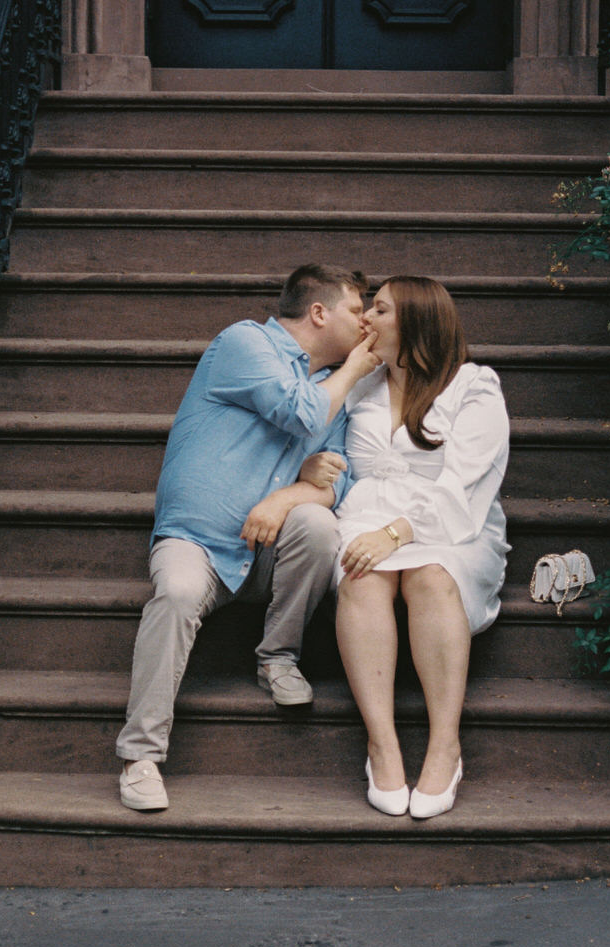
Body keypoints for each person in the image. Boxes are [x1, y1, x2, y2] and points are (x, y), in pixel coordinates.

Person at [116, 265, 381, 812]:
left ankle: (277, 657)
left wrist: (287, 497)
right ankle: (140, 756)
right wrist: (356, 368)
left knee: (316, 522)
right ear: (318, 312)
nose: (366, 324)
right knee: (180, 594)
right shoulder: (245, 342)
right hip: (198, 542)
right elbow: (298, 411)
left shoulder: (329, 390)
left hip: (267, 553)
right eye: (358, 310)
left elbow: (343, 480)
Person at [312, 276, 509, 820]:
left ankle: (445, 744)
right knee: (361, 575)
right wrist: (309, 472)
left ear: (417, 320)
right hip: (366, 514)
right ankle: (383, 744)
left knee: (431, 576)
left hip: (452, 524)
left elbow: (465, 486)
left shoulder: (473, 386)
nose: (365, 319)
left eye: (379, 309)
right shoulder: (358, 383)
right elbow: (313, 440)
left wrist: (396, 533)